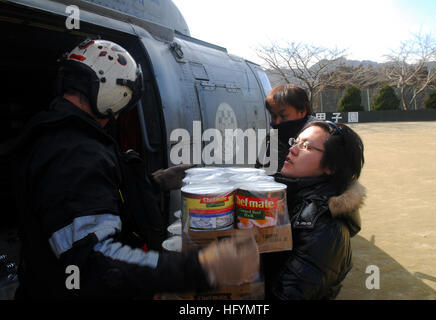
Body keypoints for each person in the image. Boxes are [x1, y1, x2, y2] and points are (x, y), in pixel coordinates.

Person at [9, 39, 258, 299]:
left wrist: (154, 183)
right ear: (112, 93)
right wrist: (202, 267)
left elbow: (86, 197)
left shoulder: (53, 133)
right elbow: (97, 262)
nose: (116, 116)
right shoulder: (77, 151)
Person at [262, 120, 366, 300]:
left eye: (306, 146)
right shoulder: (293, 196)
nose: (293, 149)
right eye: (296, 142)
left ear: (331, 167)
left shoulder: (324, 229)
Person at [257, 84, 314, 173]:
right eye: (273, 116)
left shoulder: (318, 138)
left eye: (283, 116)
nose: (277, 122)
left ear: (302, 111)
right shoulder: (272, 137)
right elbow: (260, 170)